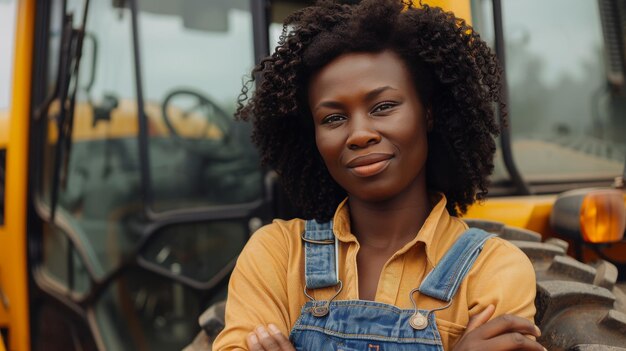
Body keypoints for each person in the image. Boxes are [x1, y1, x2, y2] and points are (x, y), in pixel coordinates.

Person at [213, 1, 543, 350]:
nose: (359, 134)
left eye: (383, 107)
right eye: (333, 118)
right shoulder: (276, 255)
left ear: (428, 114)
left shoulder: (494, 270)